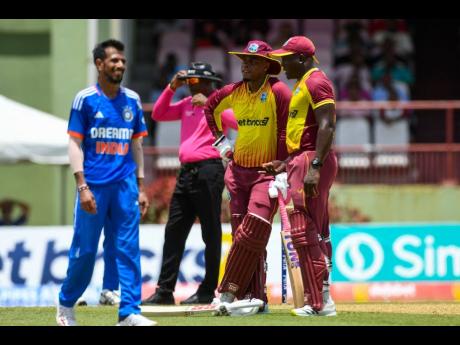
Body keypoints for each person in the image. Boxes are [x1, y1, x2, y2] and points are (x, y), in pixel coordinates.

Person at [56, 39, 156, 326]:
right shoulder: (85, 99)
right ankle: (65, 306)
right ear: (99, 64)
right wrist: (82, 186)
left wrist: (141, 186)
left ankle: (129, 313)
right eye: (114, 61)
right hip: (94, 187)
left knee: (128, 249)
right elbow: (74, 144)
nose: (120, 65)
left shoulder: (133, 100)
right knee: (85, 251)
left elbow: (137, 146)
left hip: (125, 185)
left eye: (122, 61)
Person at [204, 40, 291, 314]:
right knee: (247, 238)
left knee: (251, 232)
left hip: (266, 175)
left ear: (267, 65)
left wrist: (281, 166)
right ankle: (257, 298)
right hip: (237, 172)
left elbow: (285, 131)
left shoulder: (278, 91)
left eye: (252, 61)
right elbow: (209, 108)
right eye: (243, 60)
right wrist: (222, 145)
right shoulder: (234, 91)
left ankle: (227, 293)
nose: (245, 64)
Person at [141, 62, 238, 306]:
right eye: (189, 81)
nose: (191, 86)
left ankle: (207, 289)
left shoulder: (217, 102)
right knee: (173, 231)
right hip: (186, 173)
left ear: (208, 83)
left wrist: (208, 104)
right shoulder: (185, 105)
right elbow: (158, 114)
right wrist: (172, 86)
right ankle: (165, 290)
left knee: (210, 233)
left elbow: (236, 122)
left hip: (209, 171)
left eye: (195, 81)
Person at [262, 36, 338, 316]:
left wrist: (315, 165)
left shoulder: (316, 82)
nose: (282, 63)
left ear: (302, 59)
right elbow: (304, 131)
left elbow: (328, 126)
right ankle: (319, 297)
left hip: (310, 161)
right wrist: (285, 163)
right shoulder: (302, 85)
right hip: (302, 159)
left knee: (306, 230)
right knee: (309, 230)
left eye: (287, 58)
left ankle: (320, 302)